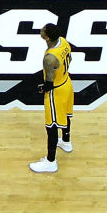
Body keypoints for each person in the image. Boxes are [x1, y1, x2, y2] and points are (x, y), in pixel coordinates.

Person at [29, 23, 74, 173]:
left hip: (56, 91)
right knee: (66, 115)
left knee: (52, 126)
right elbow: (70, 59)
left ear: (47, 37)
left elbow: (48, 83)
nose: (41, 30)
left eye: (43, 30)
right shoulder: (64, 42)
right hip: (66, 83)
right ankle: (66, 142)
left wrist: (42, 88)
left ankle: (50, 161)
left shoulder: (49, 59)